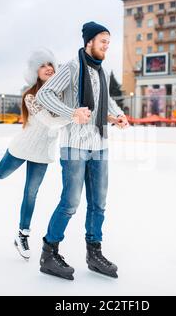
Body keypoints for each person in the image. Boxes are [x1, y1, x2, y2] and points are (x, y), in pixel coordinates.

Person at [0, 48, 90, 261]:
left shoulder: (61, 96)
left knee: (31, 192)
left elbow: (69, 113)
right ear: (34, 71)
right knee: (1, 173)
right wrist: (73, 116)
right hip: (24, 146)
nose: (48, 68)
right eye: (42, 65)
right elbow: (49, 121)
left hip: (43, 152)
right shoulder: (31, 96)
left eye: (50, 65)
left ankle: (22, 234)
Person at [36, 22, 129, 280]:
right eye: (103, 41)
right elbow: (44, 95)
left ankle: (94, 253)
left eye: (109, 42)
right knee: (70, 203)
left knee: (98, 204)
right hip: (74, 145)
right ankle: (49, 253)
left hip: (99, 144)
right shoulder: (72, 67)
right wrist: (71, 112)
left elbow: (105, 100)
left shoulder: (102, 70)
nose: (106, 46)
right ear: (89, 41)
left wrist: (118, 116)